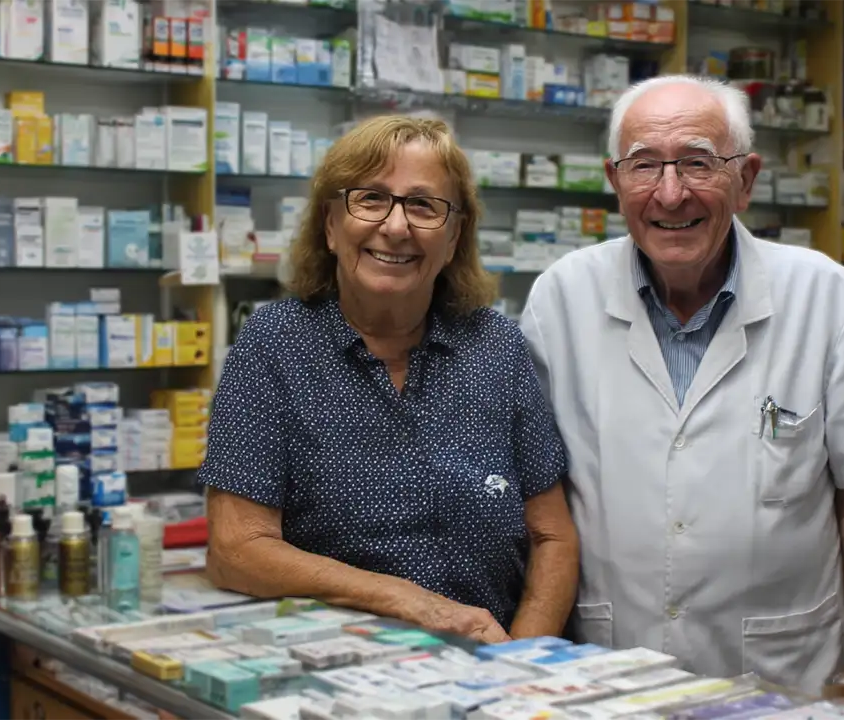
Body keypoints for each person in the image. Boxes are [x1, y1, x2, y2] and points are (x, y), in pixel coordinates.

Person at [519, 76, 844, 692]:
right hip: (610, 670)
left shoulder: (826, 297)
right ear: (615, 182)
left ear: (745, 179)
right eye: (644, 166)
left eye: (697, 163)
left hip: (782, 674)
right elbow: (539, 495)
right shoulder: (561, 297)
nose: (670, 193)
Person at [200, 115, 579, 644]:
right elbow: (236, 550)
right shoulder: (274, 344)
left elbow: (553, 535)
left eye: (423, 205)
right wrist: (413, 602)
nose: (396, 227)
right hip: (343, 673)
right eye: (371, 199)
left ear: (453, 237)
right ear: (331, 225)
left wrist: (521, 661)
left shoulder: (495, 346)